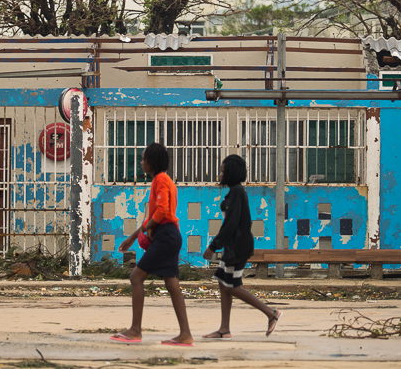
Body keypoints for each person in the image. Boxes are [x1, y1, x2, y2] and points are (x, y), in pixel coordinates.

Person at [110, 142, 194, 346]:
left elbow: (162, 211)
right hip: (171, 235)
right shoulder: (164, 180)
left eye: (143, 159)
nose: (141, 162)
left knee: (136, 277)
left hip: (165, 236)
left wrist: (148, 229)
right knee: (172, 283)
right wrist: (134, 236)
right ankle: (185, 334)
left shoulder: (160, 180)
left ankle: (135, 330)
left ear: (152, 161)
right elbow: (155, 215)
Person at [202, 154, 282, 339]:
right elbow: (229, 223)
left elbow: (231, 223)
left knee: (231, 286)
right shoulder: (233, 193)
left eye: (223, 171)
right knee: (223, 282)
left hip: (238, 248)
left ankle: (271, 313)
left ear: (231, 173)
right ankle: (224, 329)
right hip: (233, 246)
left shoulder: (238, 192)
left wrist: (213, 246)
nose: (220, 174)